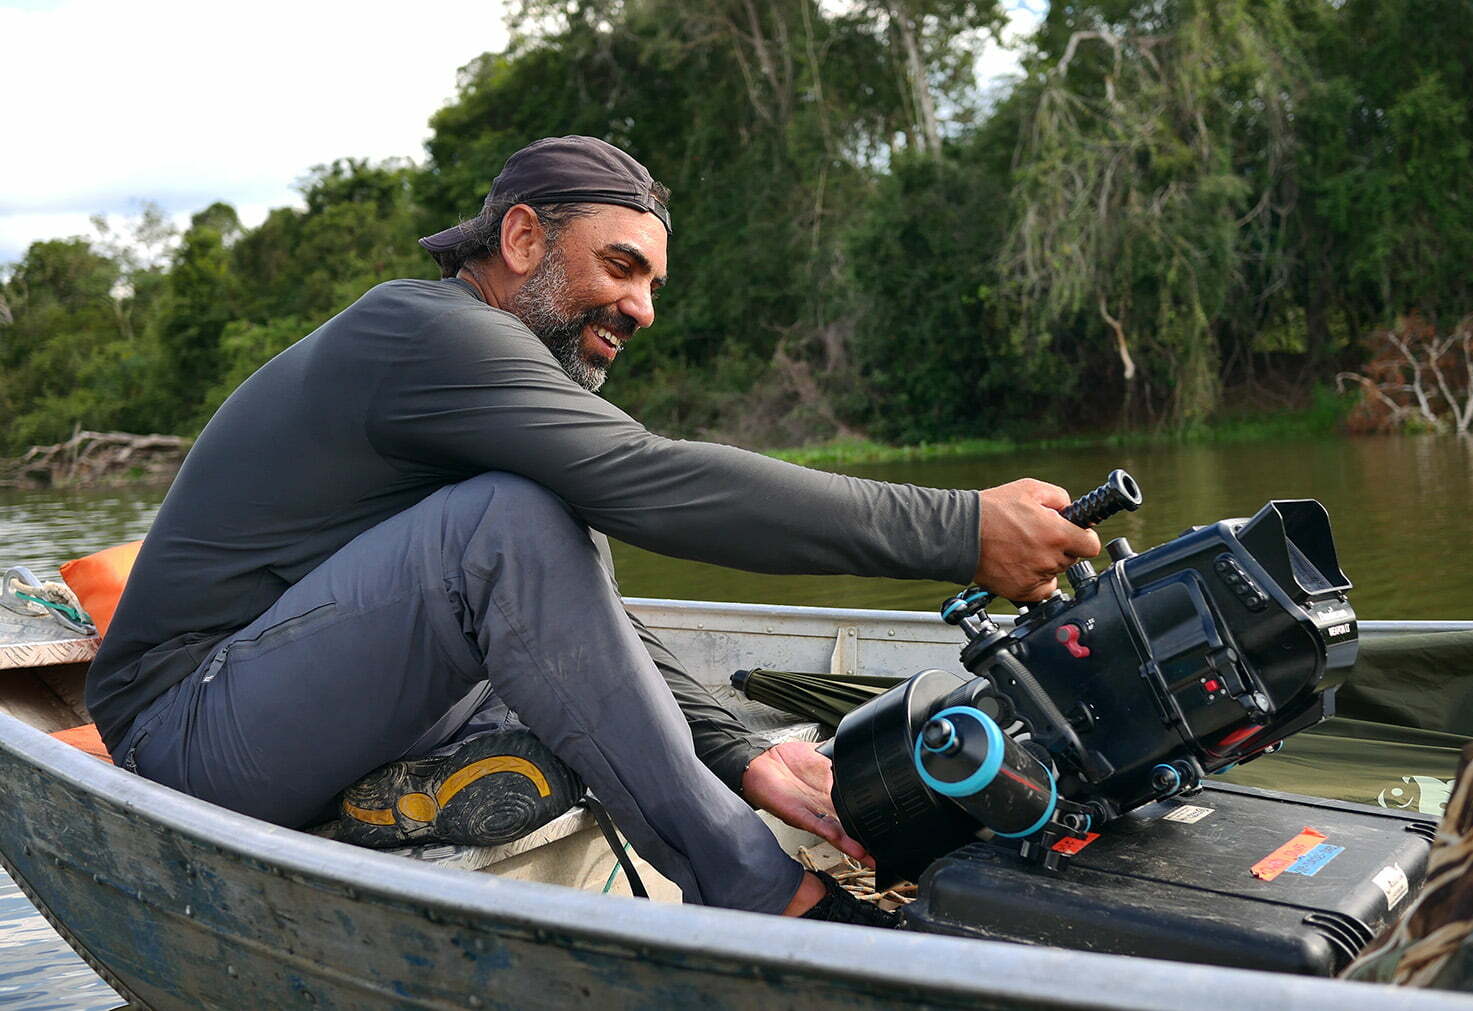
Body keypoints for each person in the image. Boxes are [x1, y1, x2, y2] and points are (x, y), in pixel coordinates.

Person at [85, 136, 1101, 924]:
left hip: (319, 687)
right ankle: (759, 893)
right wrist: (959, 527)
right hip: (187, 734)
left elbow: (576, 587)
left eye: (653, 282)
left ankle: (444, 784)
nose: (643, 307)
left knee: (537, 521)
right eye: (620, 266)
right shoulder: (427, 334)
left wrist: (735, 748)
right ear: (522, 238)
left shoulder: (481, 382)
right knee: (515, 519)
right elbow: (645, 480)